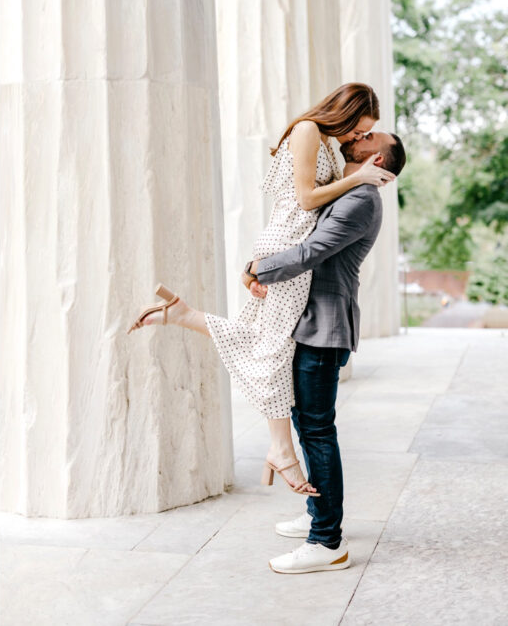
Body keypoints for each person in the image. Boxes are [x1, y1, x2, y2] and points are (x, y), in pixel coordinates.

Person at [128, 83, 395, 496]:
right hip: (287, 243)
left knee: (271, 345)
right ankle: (280, 449)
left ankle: (183, 316)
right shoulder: (308, 130)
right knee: (271, 347)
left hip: (292, 248)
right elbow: (305, 199)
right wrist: (358, 177)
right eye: (359, 130)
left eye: (364, 135)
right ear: (343, 112)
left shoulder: (326, 142)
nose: (357, 137)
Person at [249, 129, 406, 573]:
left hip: (325, 328)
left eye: (368, 135)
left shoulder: (361, 200)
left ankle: (327, 541)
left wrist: (257, 268)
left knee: (317, 431)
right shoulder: (349, 189)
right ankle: (318, 513)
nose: (358, 134)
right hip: (315, 322)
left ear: (377, 158)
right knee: (307, 425)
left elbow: (312, 251)